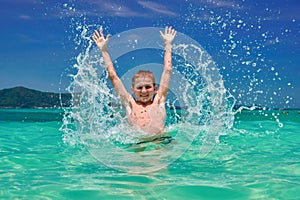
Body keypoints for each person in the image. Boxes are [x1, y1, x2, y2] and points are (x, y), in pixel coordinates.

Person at [92, 26, 176, 135]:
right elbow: (113, 76)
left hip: (160, 141)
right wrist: (104, 50)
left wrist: (168, 44)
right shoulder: (129, 103)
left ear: (155, 88)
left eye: (148, 87)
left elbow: (168, 70)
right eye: (140, 88)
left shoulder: (159, 100)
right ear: (133, 90)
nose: (144, 91)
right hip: (137, 143)